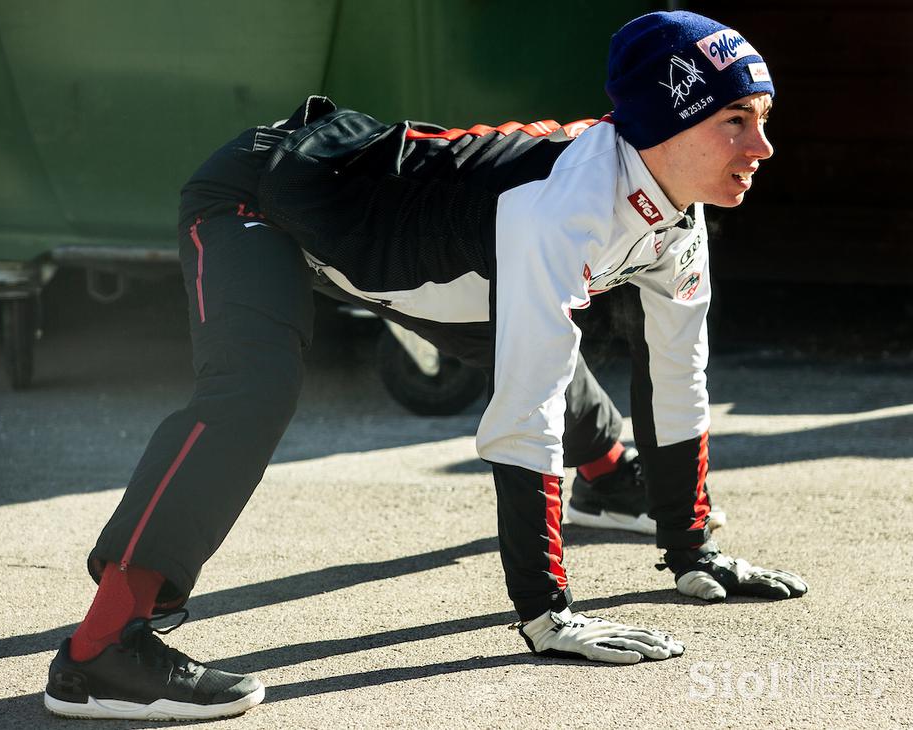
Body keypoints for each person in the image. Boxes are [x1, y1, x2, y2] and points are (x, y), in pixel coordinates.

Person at [44, 11, 808, 721]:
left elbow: (680, 371)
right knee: (253, 392)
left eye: (763, 120)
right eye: (734, 121)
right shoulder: (559, 205)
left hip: (412, 255)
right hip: (261, 200)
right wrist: (548, 613)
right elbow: (524, 411)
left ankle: (612, 483)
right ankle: (101, 651)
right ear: (662, 126)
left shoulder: (678, 209)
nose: (762, 148)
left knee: (534, 337)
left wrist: (692, 548)